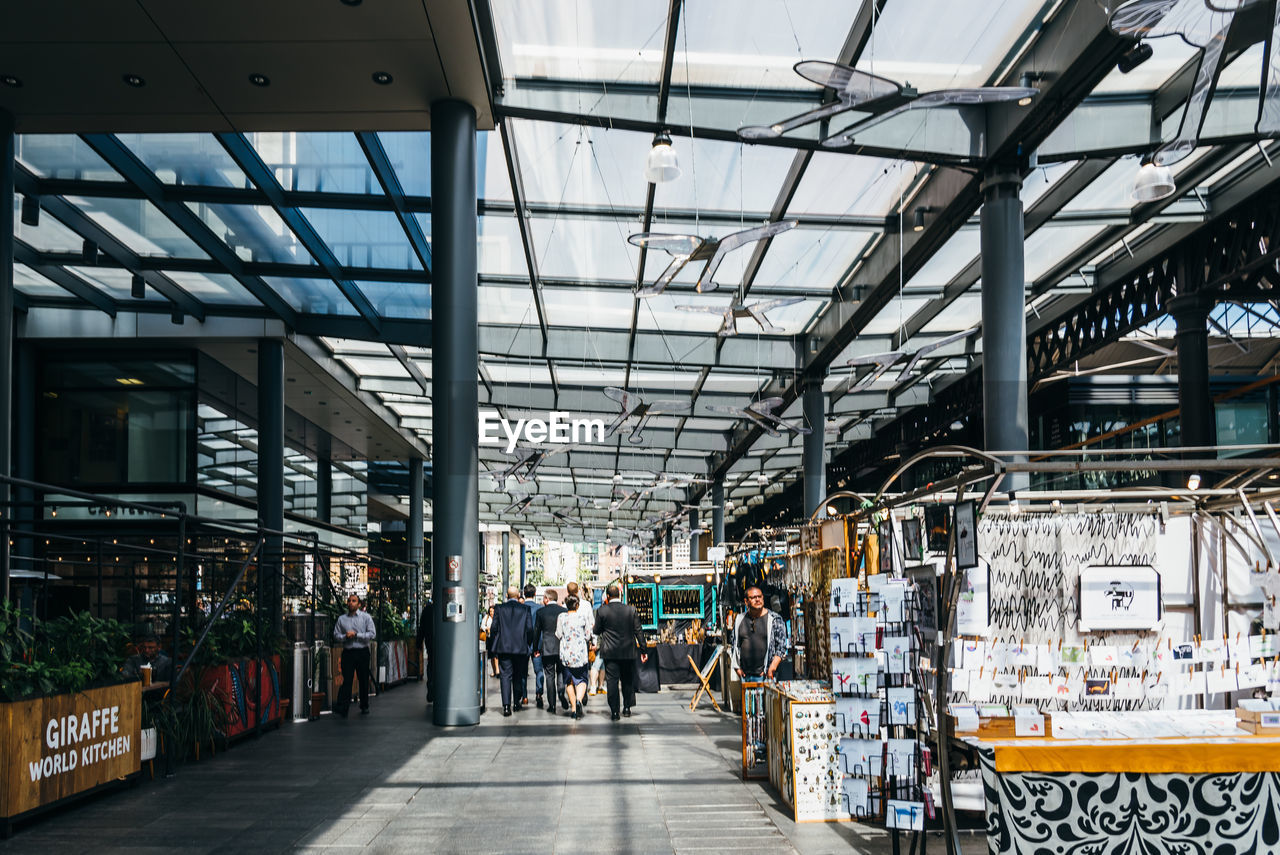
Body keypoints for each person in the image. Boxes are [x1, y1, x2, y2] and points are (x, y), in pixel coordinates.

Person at [593, 581, 647, 721]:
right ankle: (627, 708)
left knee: (612, 681)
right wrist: (643, 650)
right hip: (628, 652)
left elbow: (596, 631)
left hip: (610, 652)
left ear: (608, 596)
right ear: (619, 595)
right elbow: (638, 631)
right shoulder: (631, 610)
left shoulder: (602, 611)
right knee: (627, 680)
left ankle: (615, 712)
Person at [490, 585, 534, 716]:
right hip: (520, 647)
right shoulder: (525, 609)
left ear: (507, 596)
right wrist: (528, 643)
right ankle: (516, 703)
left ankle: (506, 706)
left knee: (505, 676)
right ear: (518, 596)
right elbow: (530, 629)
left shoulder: (499, 608)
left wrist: (495, 643)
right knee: (518, 675)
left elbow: (494, 628)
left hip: (504, 647)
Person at [730, 586, 788, 681]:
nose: (757, 599)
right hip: (745, 676)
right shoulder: (739, 619)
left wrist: (771, 669)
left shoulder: (774, 619)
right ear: (746, 601)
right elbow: (734, 644)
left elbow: (781, 647)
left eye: (759, 596)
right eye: (753, 597)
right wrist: (737, 668)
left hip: (765, 676)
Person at [333, 593, 376, 718]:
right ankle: (344, 707)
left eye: (354, 601)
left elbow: (372, 634)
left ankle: (364, 705)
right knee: (347, 679)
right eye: (349, 601)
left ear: (358, 604)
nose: (351, 603)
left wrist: (356, 635)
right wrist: (345, 636)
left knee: (363, 679)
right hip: (348, 652)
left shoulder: (366, 618)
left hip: (362, 651)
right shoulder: (342, 619)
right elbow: (336, 635)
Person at [556, 594, 592, 719]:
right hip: (580, 654)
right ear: (577, 605)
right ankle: (579, 700)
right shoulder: (582, 617)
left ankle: (573, 709)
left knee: (569, 681)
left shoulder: (561, 618)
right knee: (582, 680)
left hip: (566, 654)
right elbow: (588, 635)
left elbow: (559, 634)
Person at [534, 590, 568, 714]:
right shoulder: (564, 611)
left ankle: (552, 705)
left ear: (547, 599)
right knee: (560, 672)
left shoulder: (541, 612)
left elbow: (537, 631)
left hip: (547, 648)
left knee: (549, 675)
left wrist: (535, 649)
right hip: (561, 647)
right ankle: (561, 691)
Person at [519, 583, 542, 708]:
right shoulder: (540, 608)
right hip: (536, 646)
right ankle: (539, 693)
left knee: (523, 672)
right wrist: (539, 646)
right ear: (535, 593)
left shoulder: (520, 608)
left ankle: (524, 696)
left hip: (522, 646)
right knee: (539, 671)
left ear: (524, 593)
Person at [416, 596, 434, 702]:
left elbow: (421, 627)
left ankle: (431, 688)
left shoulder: (428, 609)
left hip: (430, 643)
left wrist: (419, 643)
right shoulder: (445, 608)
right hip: (442, 645)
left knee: (431, 665)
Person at [482, 604, 498, 677]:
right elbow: (482, 625)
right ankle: (494, 671)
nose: (491, 613)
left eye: (493, 611)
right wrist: (486, 628)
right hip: (489, 639)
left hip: (496, 638)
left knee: (496, 655)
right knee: (491, 656)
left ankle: (497, 670)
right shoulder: (487, 617)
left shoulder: (497, 618)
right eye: (490, 611)